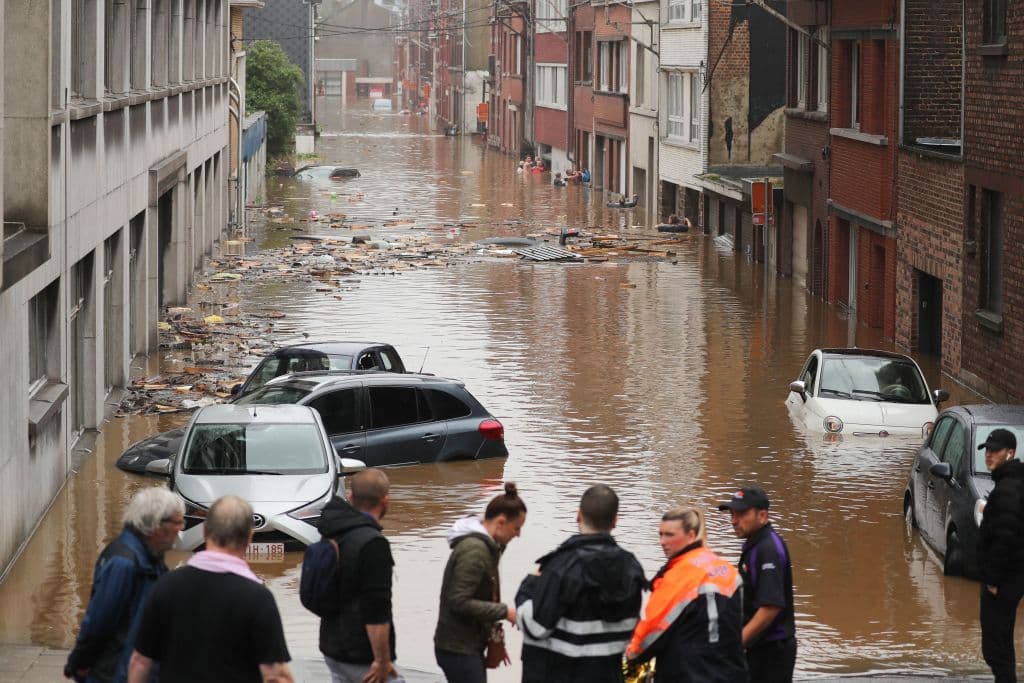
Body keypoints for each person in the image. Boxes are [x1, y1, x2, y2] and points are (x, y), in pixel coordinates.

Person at [127, 495, 292, 683]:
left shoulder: (165, 586)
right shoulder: (258, 597)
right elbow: (275, 675)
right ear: (249, 538)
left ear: (205, 532)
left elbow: (140, 661)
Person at [516, 484, 645, 683]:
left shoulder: (560, 565)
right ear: (615, 521)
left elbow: (535, 628)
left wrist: (529, 586)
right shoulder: (632, 567)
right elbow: (631, 630)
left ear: (578, 515)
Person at [64, 487, 184, 683]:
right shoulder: (124, 563)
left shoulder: (150, 557)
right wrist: (79, 662)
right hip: (115, 672)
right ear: (156, 526)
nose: (181, 529)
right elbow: (99, 621)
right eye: (177, 522)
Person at [626, 507, 745, 682]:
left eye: (670, 535)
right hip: (730, 671)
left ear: (691, 536)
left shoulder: (677, 577)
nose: (662, 541)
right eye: (660, 534)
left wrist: (632, 654)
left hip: (689, 673)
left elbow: (650, 632)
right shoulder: (728, 571)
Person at [434, 482, 527, 682]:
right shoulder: (475, 551)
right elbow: (458, 601)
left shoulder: (489, 546)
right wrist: (505, 612)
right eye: (516, 528)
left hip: (464, 645)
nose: (518, 535)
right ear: (501, 522)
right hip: (457, 648)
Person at [317, 469, 402, 683]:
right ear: (385, 501)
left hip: (331, 646)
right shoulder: (374, 544)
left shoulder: (333, 531)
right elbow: (377, 608)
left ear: (351, 497)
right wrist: (382, 660)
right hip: (360, 654)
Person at [719, 487, 796, 683]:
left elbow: (770, 607)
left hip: (771, 652)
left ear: (762, 515)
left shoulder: (766, 549)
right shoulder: (756, 543)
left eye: (742, 514)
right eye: (732, 513)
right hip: (760, 647)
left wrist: (737, 644)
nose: (733, 520)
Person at [977, 429, 1024, 683]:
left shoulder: (1008, 488)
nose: (989, 455)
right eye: (987, 449)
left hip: (1002, 581)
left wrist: (993, 580)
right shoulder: (1012, 483)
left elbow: (1005, 536)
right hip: (1011, 578)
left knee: (995, 649)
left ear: (1010, 453)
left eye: (995, 450)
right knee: (1002, 645)